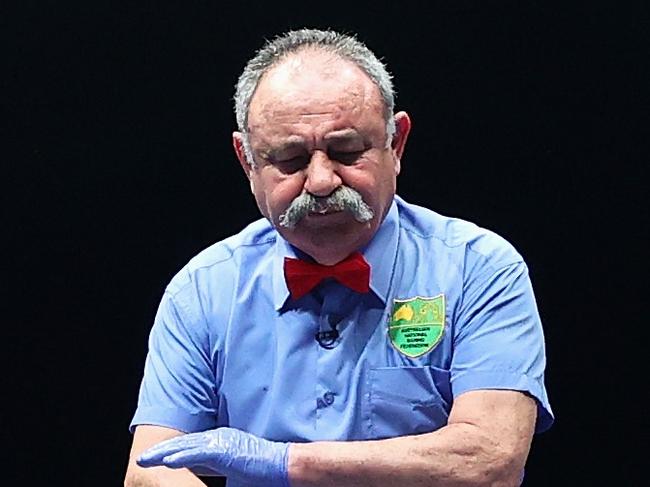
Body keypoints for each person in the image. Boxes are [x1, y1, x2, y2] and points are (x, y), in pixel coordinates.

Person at [124, 28, 553, 487]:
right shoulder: (202, 289)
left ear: (397, 143)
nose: (322, 181)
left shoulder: (479, 268)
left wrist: (283, 463)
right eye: (289, 159)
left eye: (347, 151)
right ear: (247, 162)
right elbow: (150, 471)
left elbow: (489, 460)